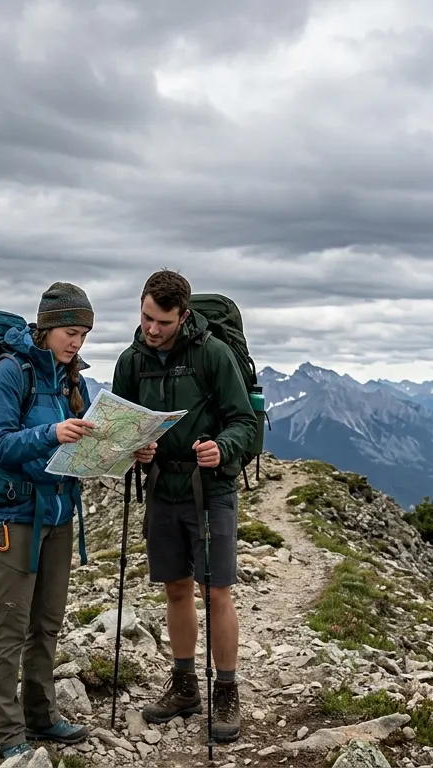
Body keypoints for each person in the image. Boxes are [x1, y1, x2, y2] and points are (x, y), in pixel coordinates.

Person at [110, 268, 259, 743]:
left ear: (184, 316)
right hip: (161, 487)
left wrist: (223, 448)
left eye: (163, 323)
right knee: (176, 587)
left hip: (209, 486)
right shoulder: (132, 361)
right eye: (146, 317)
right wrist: (136, 449)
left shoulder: (212, 354)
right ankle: (184, 685)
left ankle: (227, 690)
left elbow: (243, 420)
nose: (152, 329)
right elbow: (122, 426)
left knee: (216, 590)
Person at [0, 282, 99, 764]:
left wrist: (125, 450)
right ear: (46, 327)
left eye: (84, 335)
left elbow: (81, 447)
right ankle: (5, 734)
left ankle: (42, 714)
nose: (77, 344)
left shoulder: (73, 380)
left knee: (46, 622)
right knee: (10, 624)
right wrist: (52, 432)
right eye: (71, 332)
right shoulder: (9, 373)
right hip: (14, 515)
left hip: (58, 512)